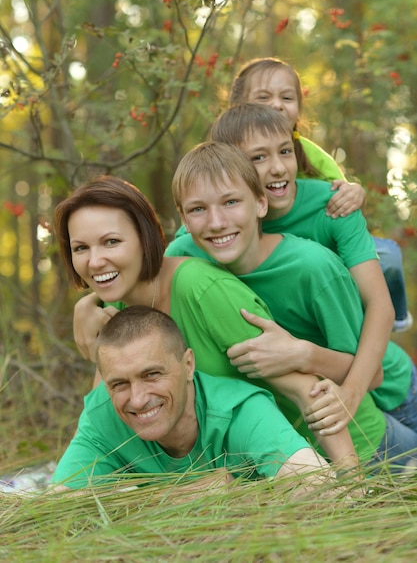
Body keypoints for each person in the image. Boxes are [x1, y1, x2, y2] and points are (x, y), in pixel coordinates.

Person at [58, 176, 415, 472]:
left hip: (360, 448)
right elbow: (103, 421)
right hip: (276, 466)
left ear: (144, 238)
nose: (95, 261)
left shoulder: (201, 289)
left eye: (111, 242)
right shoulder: (115, 310)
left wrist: (350, 482)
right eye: (80, 248)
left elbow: (306, 391)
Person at [166, 103, 412, 434]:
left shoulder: (334, 207)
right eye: (258, 158)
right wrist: (91, 305)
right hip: (318, 392)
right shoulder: (206, 234)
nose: (278, 168)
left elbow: (379, 305)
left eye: (285, 152)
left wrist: (350, 392)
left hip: (381, 379)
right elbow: (139, 279)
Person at [51, 305, 332, 491]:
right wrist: (195, 493)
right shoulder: (103, 416)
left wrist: (242, 500)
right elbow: (54, 511)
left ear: (187, 365)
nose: (136, 400)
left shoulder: (239, 411)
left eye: (151, 374)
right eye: (119, 384)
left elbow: (322, 486)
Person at [229, 57, 412, 333]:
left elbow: (341, 198)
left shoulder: (313, 157)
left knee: (388, 255)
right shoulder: (225, 154)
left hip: (319, 244)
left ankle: (394, 321)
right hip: (264, 246)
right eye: (264, 97)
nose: (277, 104)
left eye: (287, 97)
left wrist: (356, 192)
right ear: (237, 107)